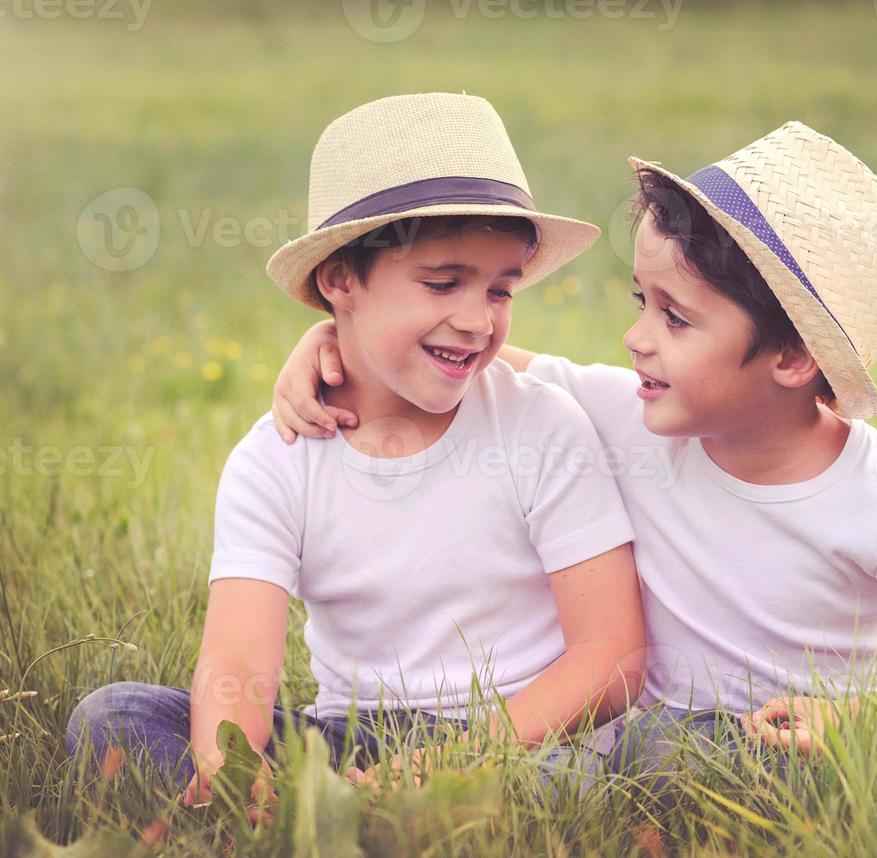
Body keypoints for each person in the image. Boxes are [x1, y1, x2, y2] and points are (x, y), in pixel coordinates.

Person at [272, 121, 877, 789]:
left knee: (662, 752)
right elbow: (467, 359)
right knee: (624, 757)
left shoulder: (876, 499)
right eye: (641, 303)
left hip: (790, 754)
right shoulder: (635, 415)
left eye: (676, 319)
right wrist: (333, 341)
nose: (637, 338)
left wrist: (863, 716)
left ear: (790, 358)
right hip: (655, 741)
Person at [66, 93, 645, 813]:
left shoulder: (541, 425)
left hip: (516, 741)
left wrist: (456, 763)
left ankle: (376, 816)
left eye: (501, 290)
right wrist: (230, 768)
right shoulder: (277, 459)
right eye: (443, 282)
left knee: (574, 783)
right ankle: (312, 815)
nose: (477, 320)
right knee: (114, 717)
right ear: (340, 280)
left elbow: (611, 656)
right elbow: (239, 661)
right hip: (352, 737)